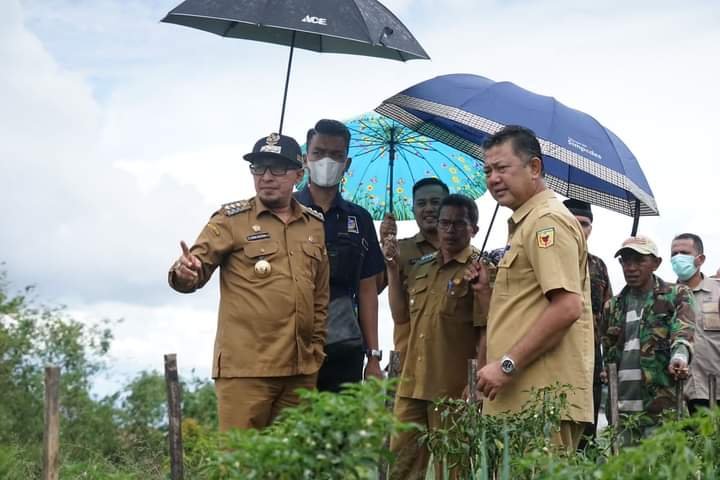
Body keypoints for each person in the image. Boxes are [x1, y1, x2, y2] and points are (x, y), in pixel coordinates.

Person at [168, 132, 329, 431]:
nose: (266, 177)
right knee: (240, 457)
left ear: (299, 174)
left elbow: (320, 295)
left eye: (277, 168)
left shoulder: (314, 226)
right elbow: (194, 267)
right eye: (259, 168)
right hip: (245, 371)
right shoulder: (230, 220)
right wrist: (185, 273)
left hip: (300, 372)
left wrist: (316, 350)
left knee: (292, 458)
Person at [470, 125, 594, 450]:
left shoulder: (546, 221)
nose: (493, 179)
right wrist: (484, 290)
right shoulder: (526, 224)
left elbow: (567, 307)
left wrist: (507, 365)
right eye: (487, 171)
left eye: (502, 168)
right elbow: (522, 310)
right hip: (520, 397)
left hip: (539, 399)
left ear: (534, 167)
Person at [384, 194, 486, 480]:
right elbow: (400, 316)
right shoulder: (422, 267)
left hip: (452, 391)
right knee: (401, 468)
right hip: (412, 384)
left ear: (474, 229)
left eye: (458, 224)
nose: (450, 230)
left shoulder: (480, 270)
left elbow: (486, 329)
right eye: (444, 223)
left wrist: (476, 383)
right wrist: (392, 267)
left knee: (453, 469)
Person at [295, 119, 385, 391]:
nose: (327, 161)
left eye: (335, 155)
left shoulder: (360, 219)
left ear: (346, 163)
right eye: (318, 153)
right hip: (289, 345)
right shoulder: (286, 210)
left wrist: (373, 357)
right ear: (305, 160)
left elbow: (368, 290)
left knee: (341, 418)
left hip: (344, 344)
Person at [602, 235, 695, 442]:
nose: (631, 268)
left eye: (639, 261)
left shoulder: (676, 295)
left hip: (661, 411)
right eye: (626, 261)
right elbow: (608, 352)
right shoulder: (612, 306)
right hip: (622, 412)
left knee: (665, 461)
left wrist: (679, 357)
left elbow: (684, 332)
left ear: (656, 263)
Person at [378, 178, 450, 366]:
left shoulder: (467, 255)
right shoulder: (400, 250)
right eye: (421, 203)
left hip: (451, 362)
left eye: (435, 202)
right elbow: (373, 288)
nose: (428, 208)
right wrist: (383, 245)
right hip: (408, 359)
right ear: (413, 210)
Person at [563, 199, 613, 445]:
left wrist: (607, 360)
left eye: (584, 224)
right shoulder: (549, 260)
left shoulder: (598, 266)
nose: (579, 229)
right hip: (555, 349)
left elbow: (608, 315)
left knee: (587, 426)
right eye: (573, 222)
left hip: (590, 355)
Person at [670, 233, 720, 414]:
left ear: (700, 259)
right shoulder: (665, 297)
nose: (678, 258)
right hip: (681, 392)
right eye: (674, 254)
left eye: (684, 253)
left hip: (716, 388)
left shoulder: (717, 291)